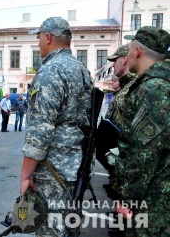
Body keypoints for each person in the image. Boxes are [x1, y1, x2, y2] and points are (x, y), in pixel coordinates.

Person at [20, 17, 92, 236]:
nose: (39, 42)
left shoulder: (51, 71)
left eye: (39, 37)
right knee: (69, 228)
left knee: (51, 230)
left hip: (53, 171)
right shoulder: (81, 70)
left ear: (48, 37)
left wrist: (25, 176)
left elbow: (41, 130)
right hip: (75, 167)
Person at [115, 26, 170, 236]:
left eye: (129, 50)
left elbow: (145, 152)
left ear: (137, 51)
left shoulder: (154, 89)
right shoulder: (156, 84)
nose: (127, 55)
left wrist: (128, 198)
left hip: (154, 202)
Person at [100, 45, 137, 198]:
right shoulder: (126, 87)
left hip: (129, 163)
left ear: (125, 59)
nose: (113, 64)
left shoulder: (134, 88)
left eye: (115, 60)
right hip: (120, 157)